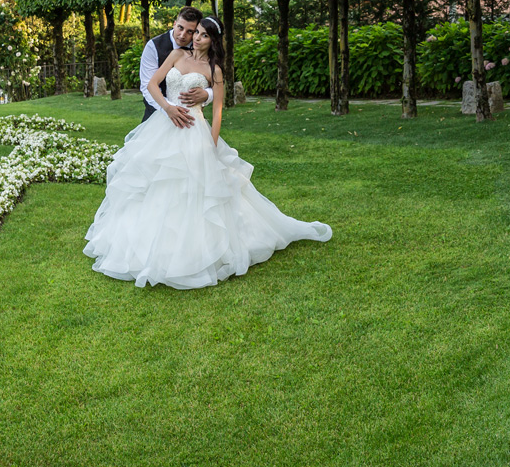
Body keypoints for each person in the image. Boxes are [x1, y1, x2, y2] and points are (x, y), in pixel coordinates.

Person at [83, 16, 332, 289]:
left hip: (194, 129)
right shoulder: (177, 55)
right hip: (165, 123)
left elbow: (218, 112)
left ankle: (198, 250)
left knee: (197, 189)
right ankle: (146, 246)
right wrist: (168, 108)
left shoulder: (215, 70)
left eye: (202, 34)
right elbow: (153, 84)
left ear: (213, 40)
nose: (196, 38)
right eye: (196, 33)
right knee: (154, 183)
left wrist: (212, 146)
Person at [138, 6, 214, 127]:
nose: (183, 35)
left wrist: (208, 95)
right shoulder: (153, 46)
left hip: (190, 119)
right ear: (174, 24)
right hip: (156, 113)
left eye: (190, 31)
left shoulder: (201, 48)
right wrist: (168, 109)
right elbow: (147, 85)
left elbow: (217, 83)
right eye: (180, 28)